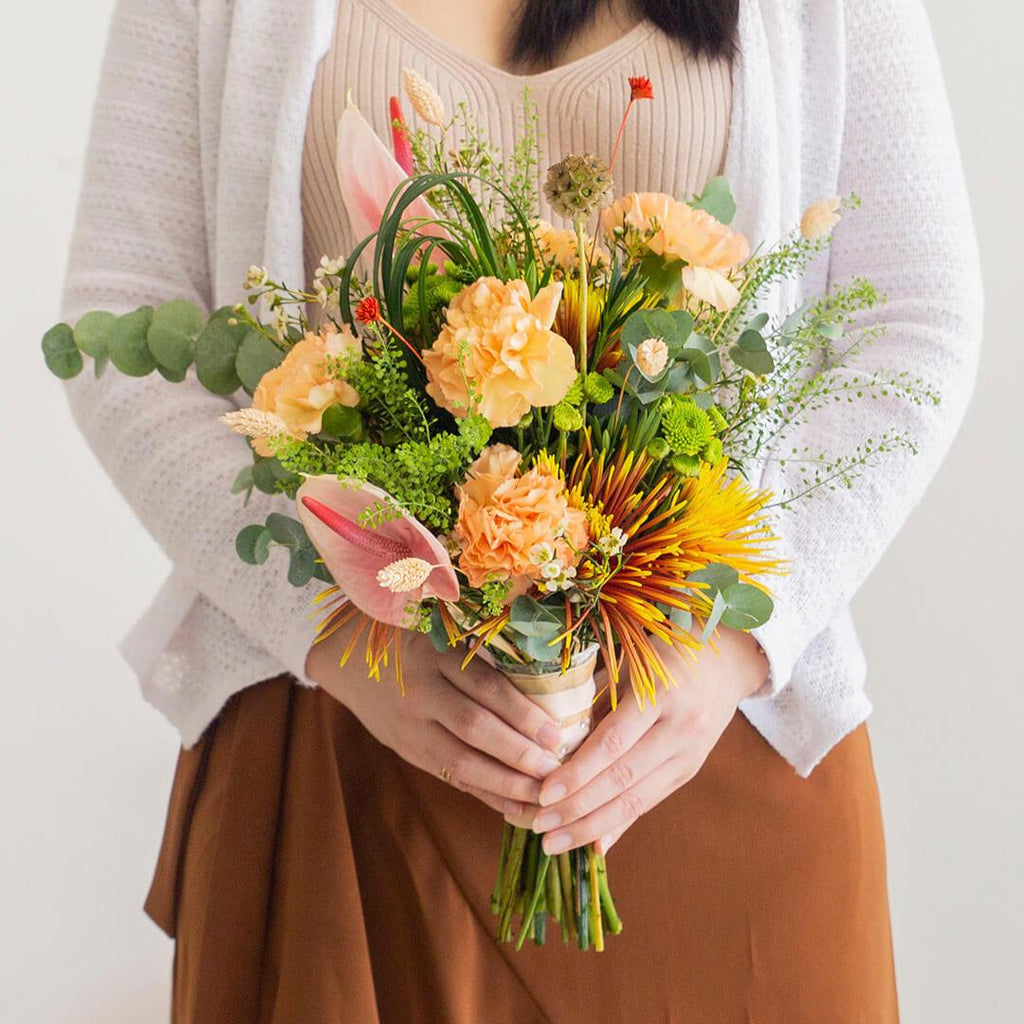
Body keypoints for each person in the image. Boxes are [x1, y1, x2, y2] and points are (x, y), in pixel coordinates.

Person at [62, 0, 980, 1020]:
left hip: (713, 756)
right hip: (348, 741)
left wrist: (731, 637)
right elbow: (117, 333)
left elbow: (913, 323)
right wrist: (331, 623)